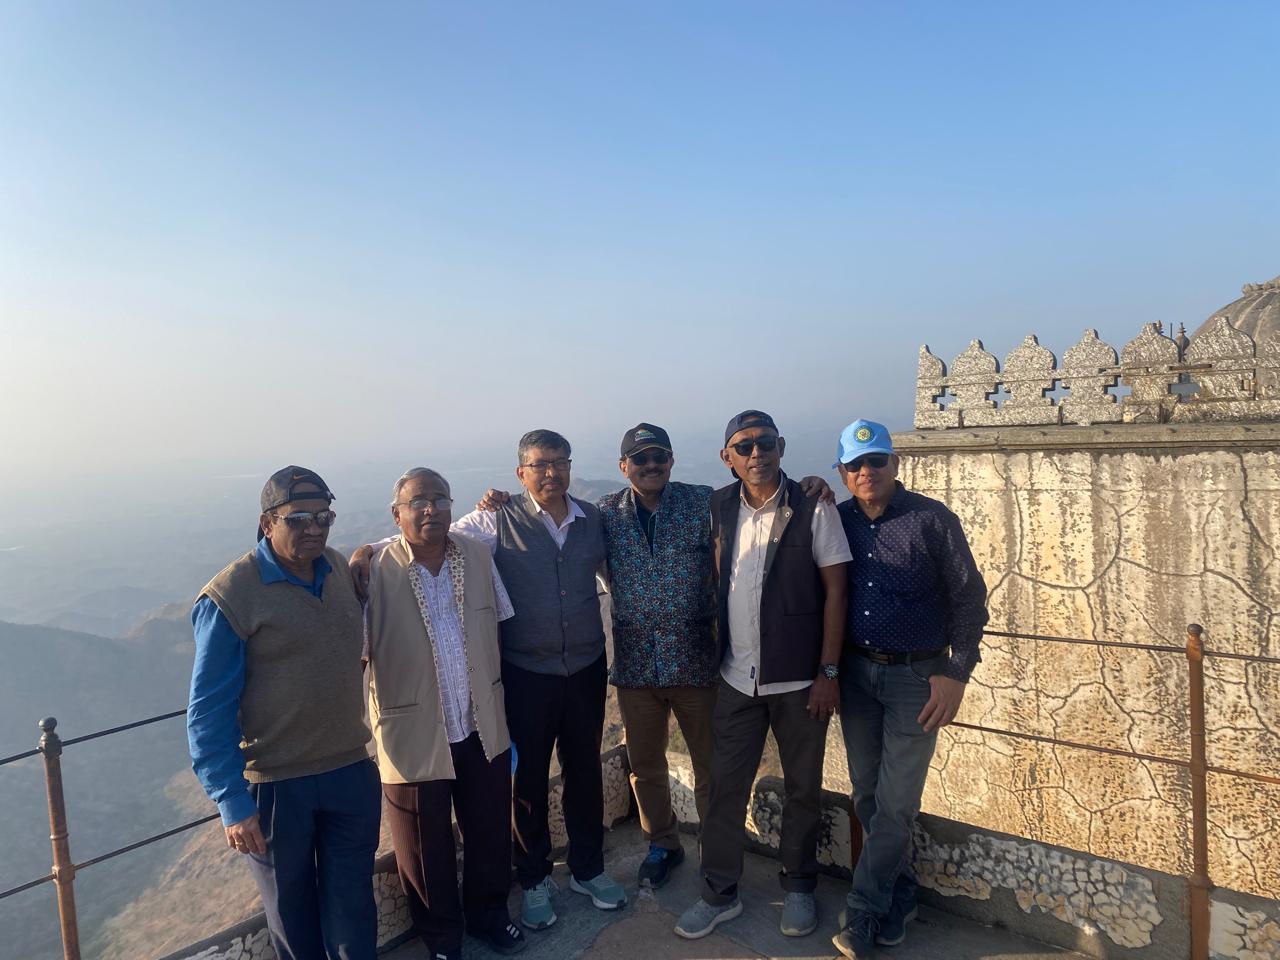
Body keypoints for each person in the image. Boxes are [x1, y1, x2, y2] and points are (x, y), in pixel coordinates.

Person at [475, 423, 835, 891]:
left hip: (696, 663)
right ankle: (662, 844)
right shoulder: (604, 514)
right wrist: (497, 502)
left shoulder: (703, 503)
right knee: (646, 767)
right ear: (623, 467)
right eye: (640, 459)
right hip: (636, 667)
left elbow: (756, 494)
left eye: (659, 457)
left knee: (711, 769)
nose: (650, 466)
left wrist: (810, 486)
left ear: (671, 461)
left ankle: (715, 853)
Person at [351, 429, 625, 931]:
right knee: (529, 781)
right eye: (539, 464)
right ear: (521, 473)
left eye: (560, 462)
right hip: (526, 672)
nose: (551, 472)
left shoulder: (593, 520)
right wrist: (367, 551)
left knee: (585, 770)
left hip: (587, 666)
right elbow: (432, 534)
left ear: (570, 466)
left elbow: (612, 575)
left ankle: (589, 868)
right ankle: (535, 879)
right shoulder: (496, 520)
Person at [187, 466, 381, 960]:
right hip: (276, 785)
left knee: (354, 906)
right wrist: (231, 800)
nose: (314, 528)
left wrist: (365, 552)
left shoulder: (336, 567)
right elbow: (207, 712)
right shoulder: (231, 596)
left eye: (324, 517)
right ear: (267, 522)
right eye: (298, 519)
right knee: (293, 919)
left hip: (349, 769)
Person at [675, 411, 851, 941]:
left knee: (803, 790)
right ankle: (718, 892)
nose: (757, 454)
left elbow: (837, 593)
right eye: (744, 446)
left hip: (799, 682)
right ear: (727, 458)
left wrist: (828, 672)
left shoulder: (814, 506)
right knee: (724, 788)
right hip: (735, 678)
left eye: (766, 443)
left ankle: (799, 886)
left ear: (782, 447)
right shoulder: (717, 506)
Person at [829, 419, 988, 959]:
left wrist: (957, 673)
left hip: (916, 678)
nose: (866, 471)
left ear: (894, 464)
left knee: (895, 801)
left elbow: (969, 599)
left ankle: (863, 912)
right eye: (855, 464)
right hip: (856, 674)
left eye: (876, 461)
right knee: (866, 793)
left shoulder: (931, 519)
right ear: (843, 473)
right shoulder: (837, 521)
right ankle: (900, 894)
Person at [364, 467, 525, 960]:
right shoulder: (373, 571)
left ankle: (489, 916)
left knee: (489, 828)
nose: (431, 509)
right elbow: (358, 656)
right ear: (397, 514)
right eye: (418, 502)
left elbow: (500, 625)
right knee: (422, 844)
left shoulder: (476, 555)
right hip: (412, 731)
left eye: (440, 499)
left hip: (480, 721)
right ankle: (441, 939)